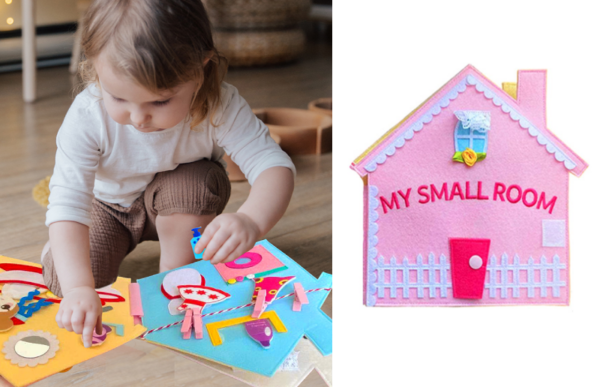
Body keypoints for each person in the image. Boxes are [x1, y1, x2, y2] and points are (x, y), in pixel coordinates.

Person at [41, 0, 295, 348]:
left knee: (195, 182)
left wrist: (251, 220)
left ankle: (175, 279)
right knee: (68, 284)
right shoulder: (87, 116)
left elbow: (274, 167)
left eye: (159, 102)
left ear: (201, 69)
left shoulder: (219, 104)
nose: (138, 117)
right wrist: (78, 288)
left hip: (177, 200)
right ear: (94, 68)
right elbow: (68, 204)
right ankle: (64, 261)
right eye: (118, 97)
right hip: (107, 208)